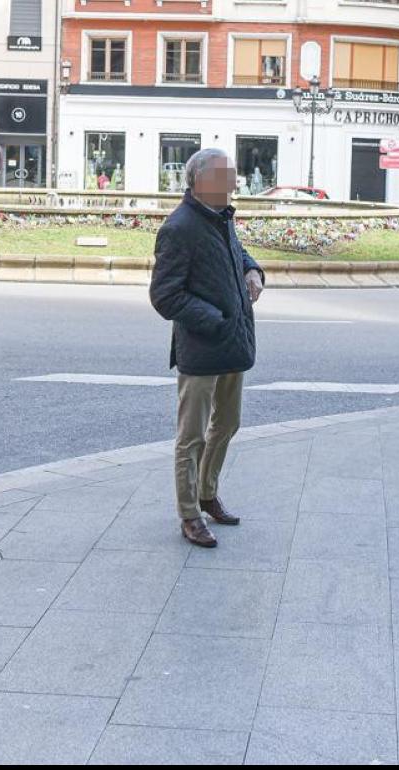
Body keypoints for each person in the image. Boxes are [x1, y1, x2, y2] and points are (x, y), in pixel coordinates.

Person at [149, 148, 265, 548]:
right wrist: (212, 318)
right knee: (192, 436)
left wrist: (253, 270)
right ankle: (189, 514)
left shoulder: (221, 217)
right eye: (224, 176)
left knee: (228, 423)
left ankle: (207, 491)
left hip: (233, 341)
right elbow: (164, 296)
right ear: (199, 182)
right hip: (201, 346)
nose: (233, 183)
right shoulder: (179, 227)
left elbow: (236, 253)